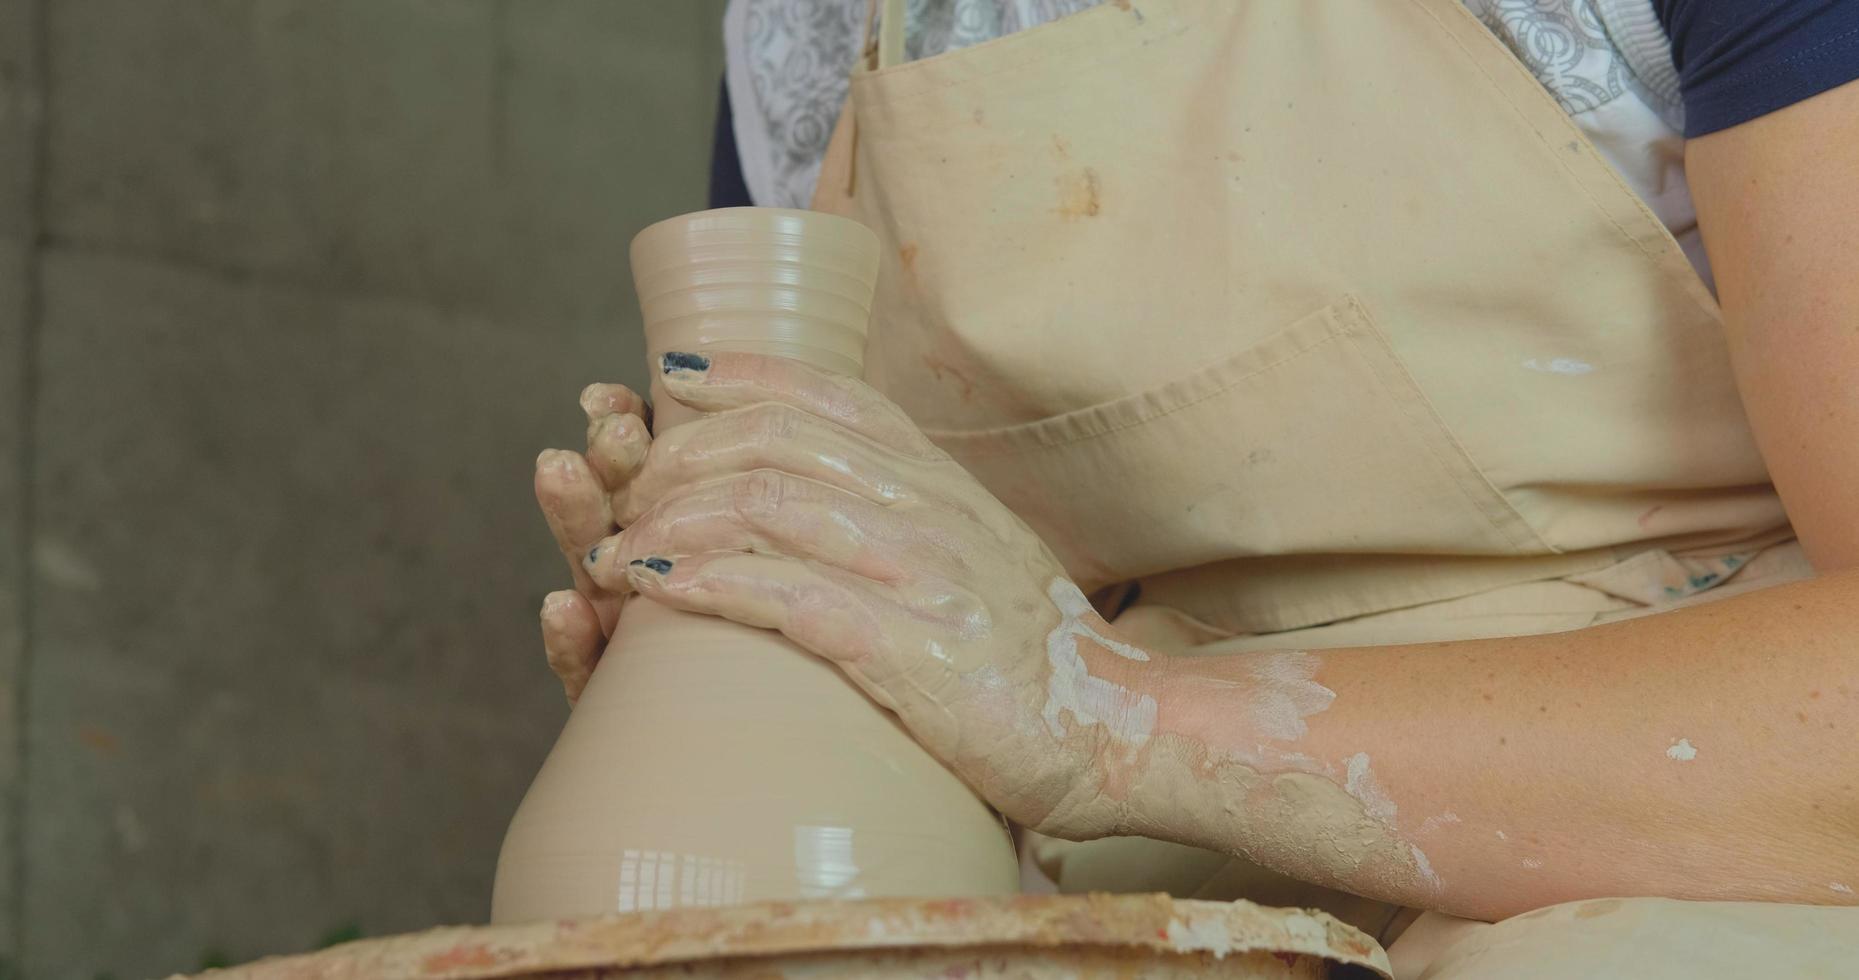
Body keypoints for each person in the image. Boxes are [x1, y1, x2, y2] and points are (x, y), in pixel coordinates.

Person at [531, 1, 1859, 975]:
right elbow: (928, 604)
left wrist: (1110, 718)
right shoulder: (810, 29)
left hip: (1699, 807)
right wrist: (768, 619)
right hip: (1110, 826)